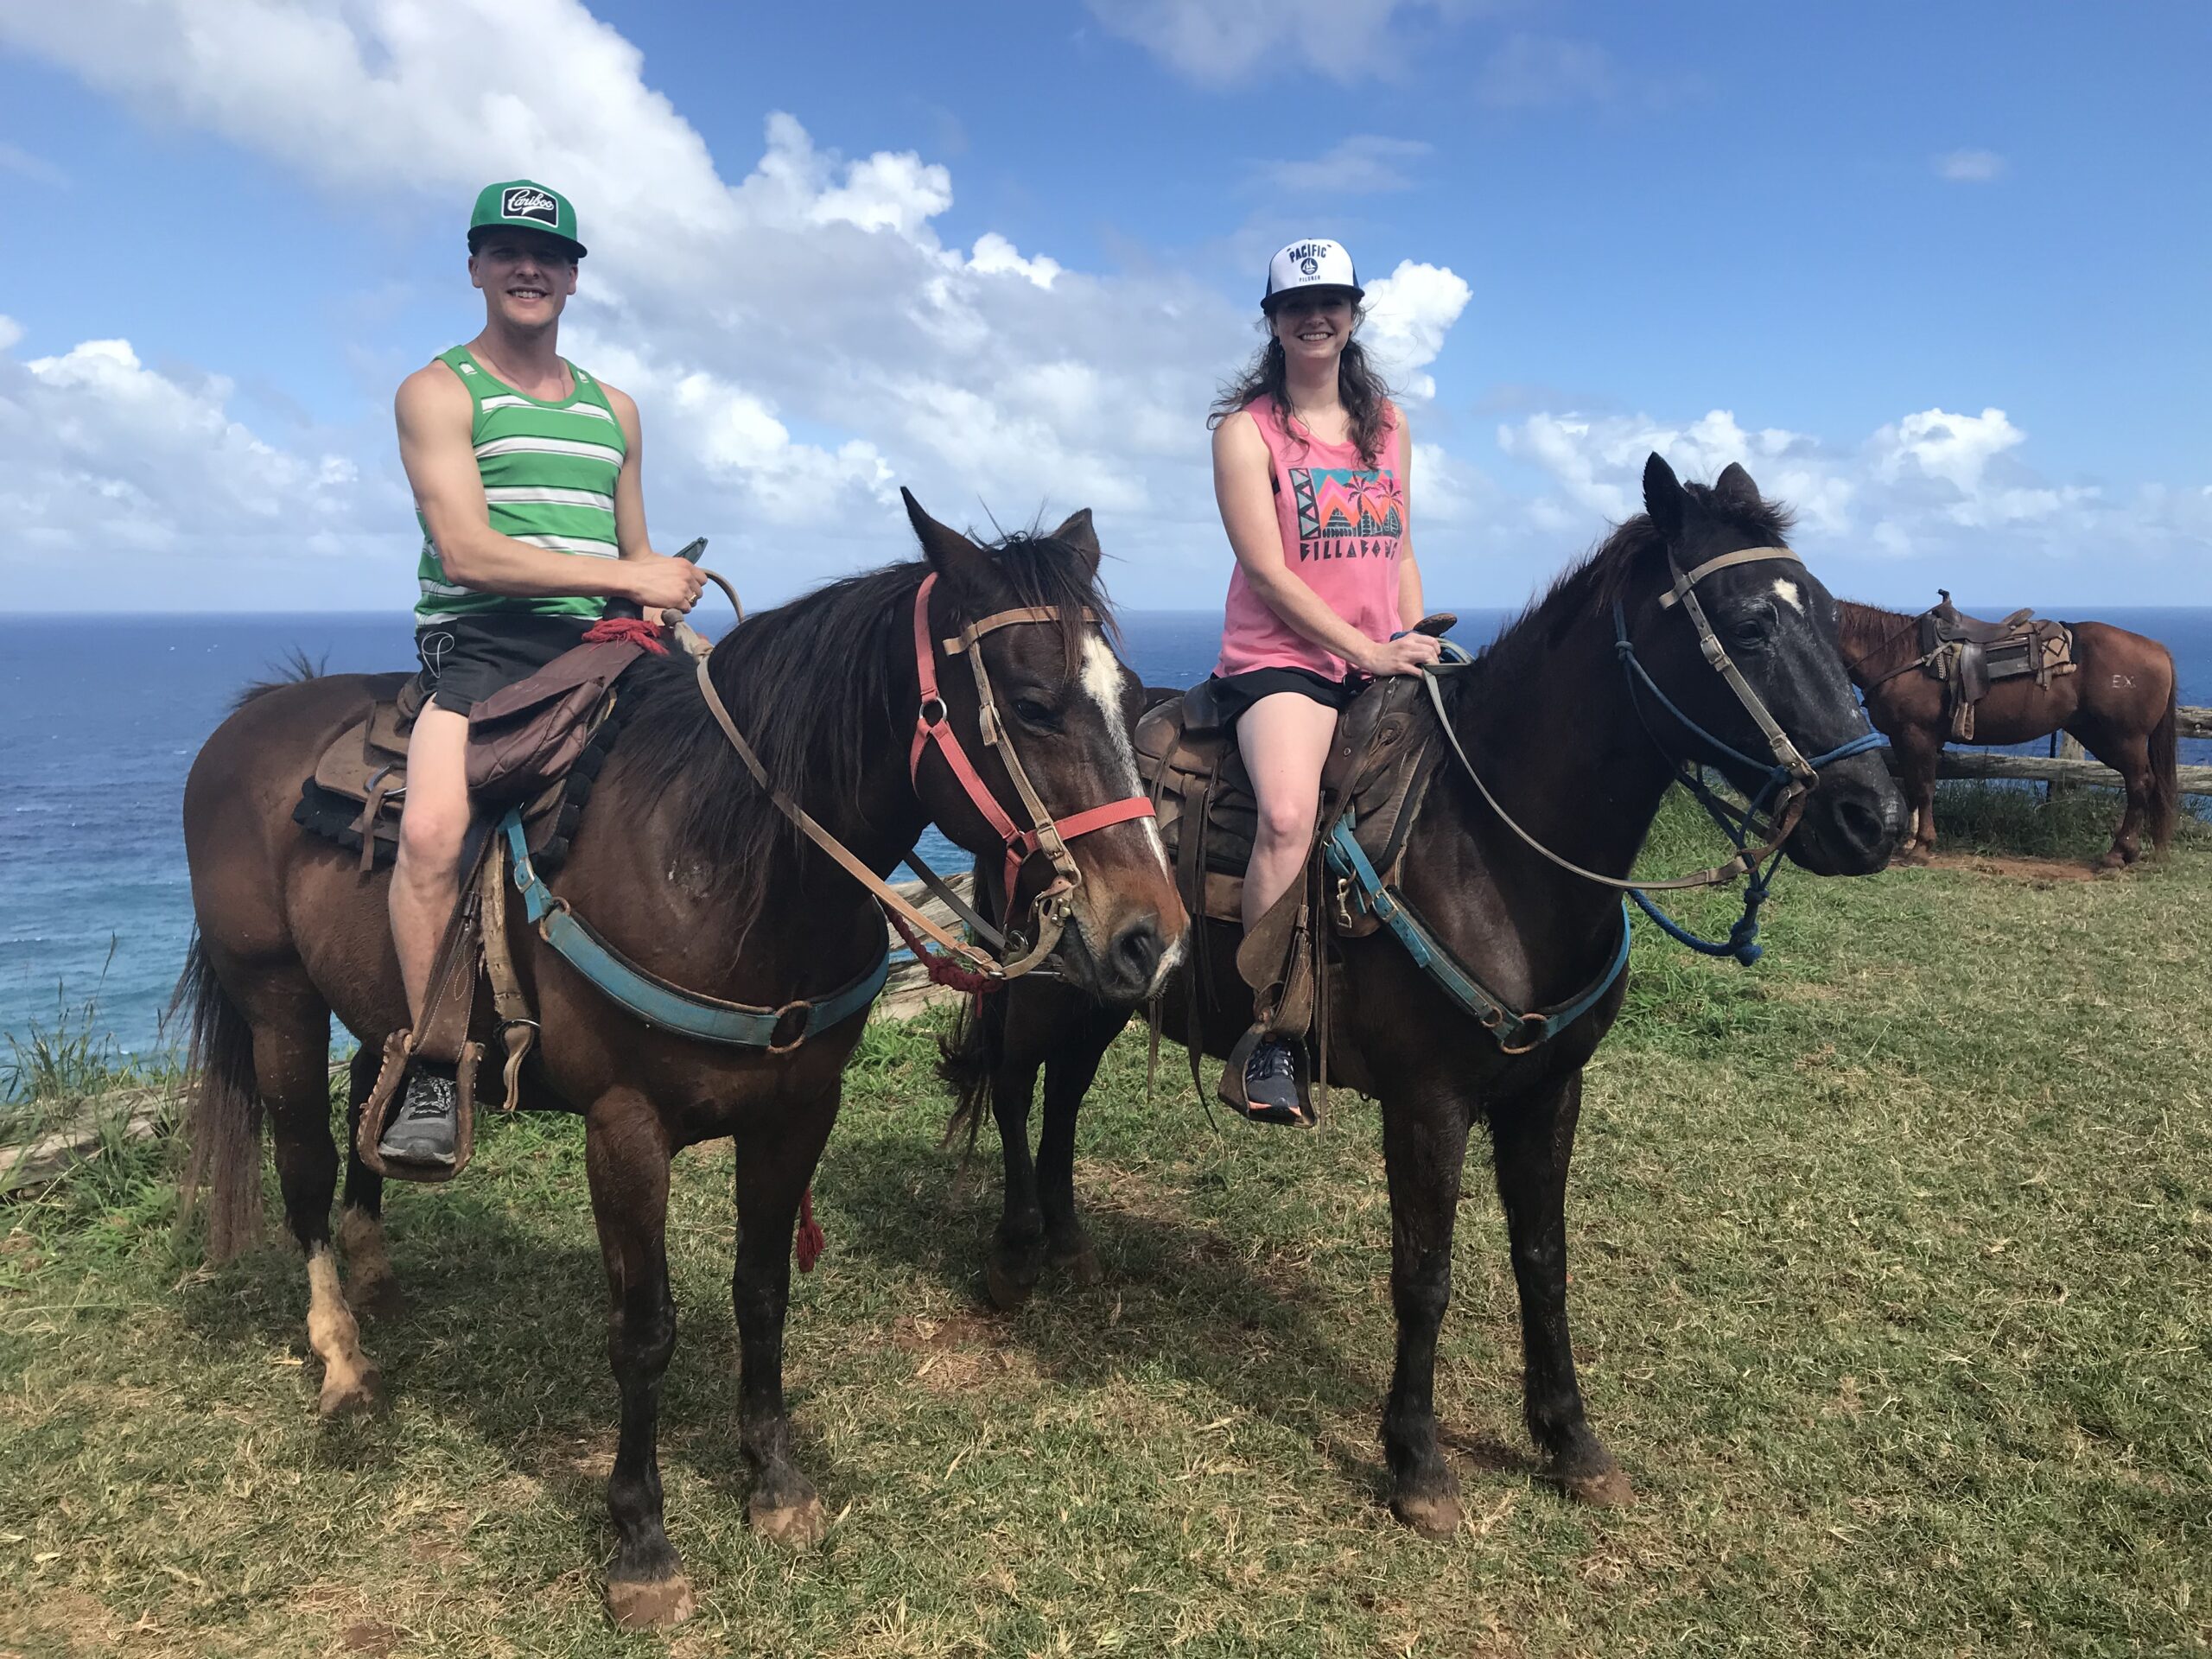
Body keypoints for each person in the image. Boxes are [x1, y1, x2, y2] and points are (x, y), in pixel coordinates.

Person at [379, 180, 706, 1168]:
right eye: (508, 251)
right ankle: (432, 1068)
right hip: (485, 644)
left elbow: (636, 552)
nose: (531, 269)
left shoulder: (615, 410)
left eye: (549, 255)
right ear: (477, 267)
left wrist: (662, 605)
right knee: (433, 835)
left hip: (605, 641)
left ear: (572, 277)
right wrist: (625, 576)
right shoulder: (437, 391)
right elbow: (469, 551)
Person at [1207, 238, 1441, 1125]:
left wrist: (1413, 638)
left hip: (1382, 649)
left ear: (1354, 313)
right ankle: (1269, 1035)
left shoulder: (1387, 426)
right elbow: (1267, 574)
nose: (1316, 316)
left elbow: (1401, 548)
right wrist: (1367, 651)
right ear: (1272, 321)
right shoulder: (1248, 434)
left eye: (1332, 300)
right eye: (1296, 304)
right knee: (1287, 817)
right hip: (1282, 664)